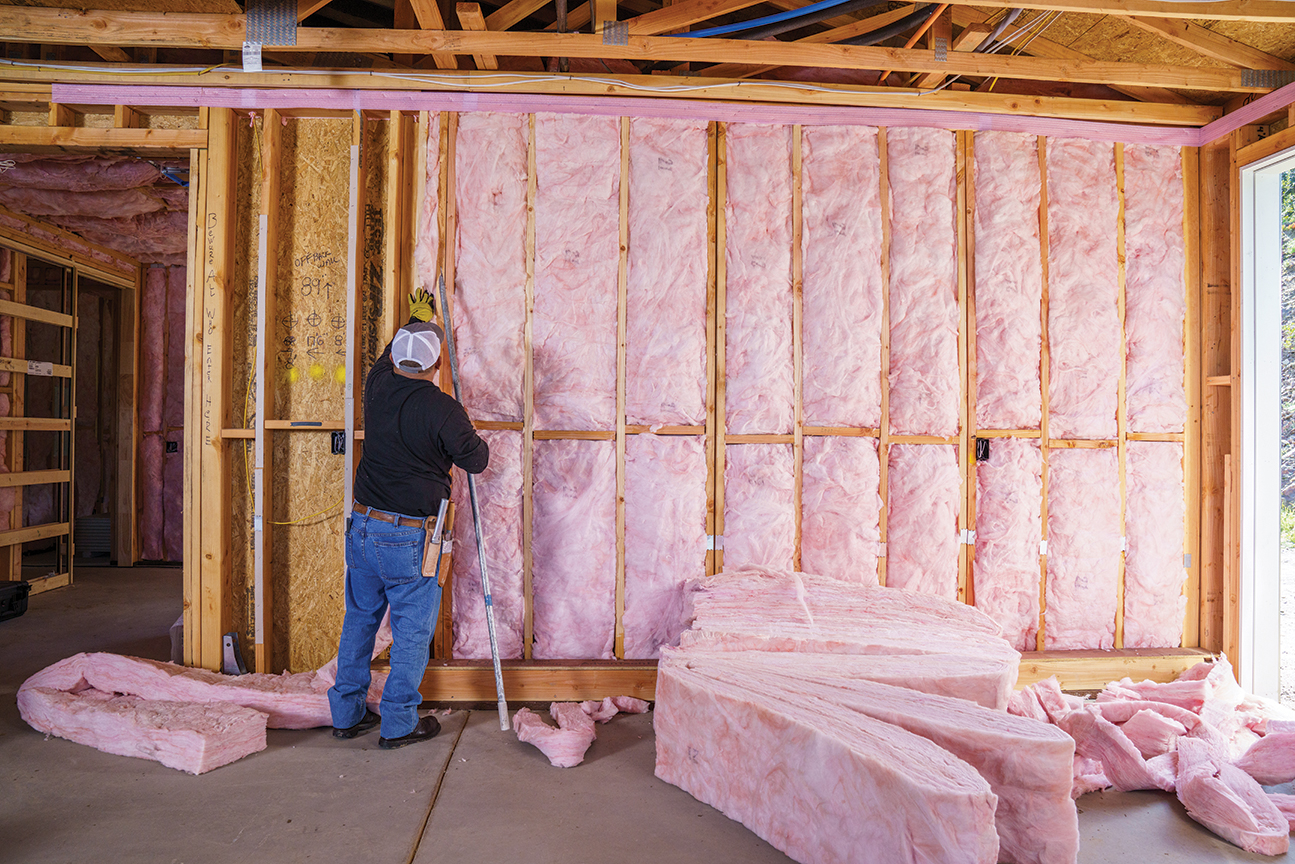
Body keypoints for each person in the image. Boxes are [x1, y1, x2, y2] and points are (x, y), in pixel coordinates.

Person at [328, 291, 488, 749]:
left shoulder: (376, 385)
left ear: (397, 356)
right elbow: (476, 461)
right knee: (412, 632)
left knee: (359, 621)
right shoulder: (443, 410)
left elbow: (390, 352)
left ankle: (346, 715)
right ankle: (398, 723)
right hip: (409, 540)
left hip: (362, 529)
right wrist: (466, 430)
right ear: (436, 365)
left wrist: (417, 320)